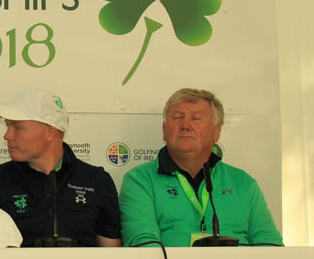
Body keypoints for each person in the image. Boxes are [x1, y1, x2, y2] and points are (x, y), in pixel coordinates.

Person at [119, 88, 283, 247]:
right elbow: (143, 246)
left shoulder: (243, 183)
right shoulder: (140, 180)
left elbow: (270, 245)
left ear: (216, 132)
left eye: (196, 118)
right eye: (177, 117)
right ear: (164, 130)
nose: (185, 125)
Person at [0, 88, 121, 247]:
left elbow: (112, 252)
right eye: (7, 126)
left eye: (18, 128)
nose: (7, 135)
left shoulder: (97, 180)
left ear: (50, 133)